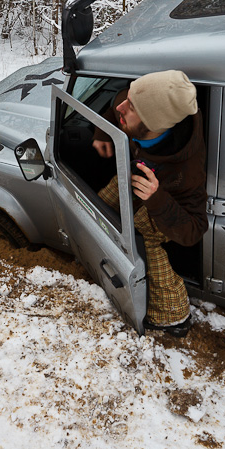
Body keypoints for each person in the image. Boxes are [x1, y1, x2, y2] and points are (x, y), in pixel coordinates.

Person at [92, 70, 207, 337]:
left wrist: (157, 199)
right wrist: (102, 132)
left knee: (148, 242)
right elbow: (116, 104)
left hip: (159, 206)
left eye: (131, 107)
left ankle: (173, 320)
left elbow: (193, 231)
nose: (122, 105)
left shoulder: (187, 170)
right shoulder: (142, 104)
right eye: (130, 97)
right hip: (131, 173)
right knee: (95, 209)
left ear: (153, 125)